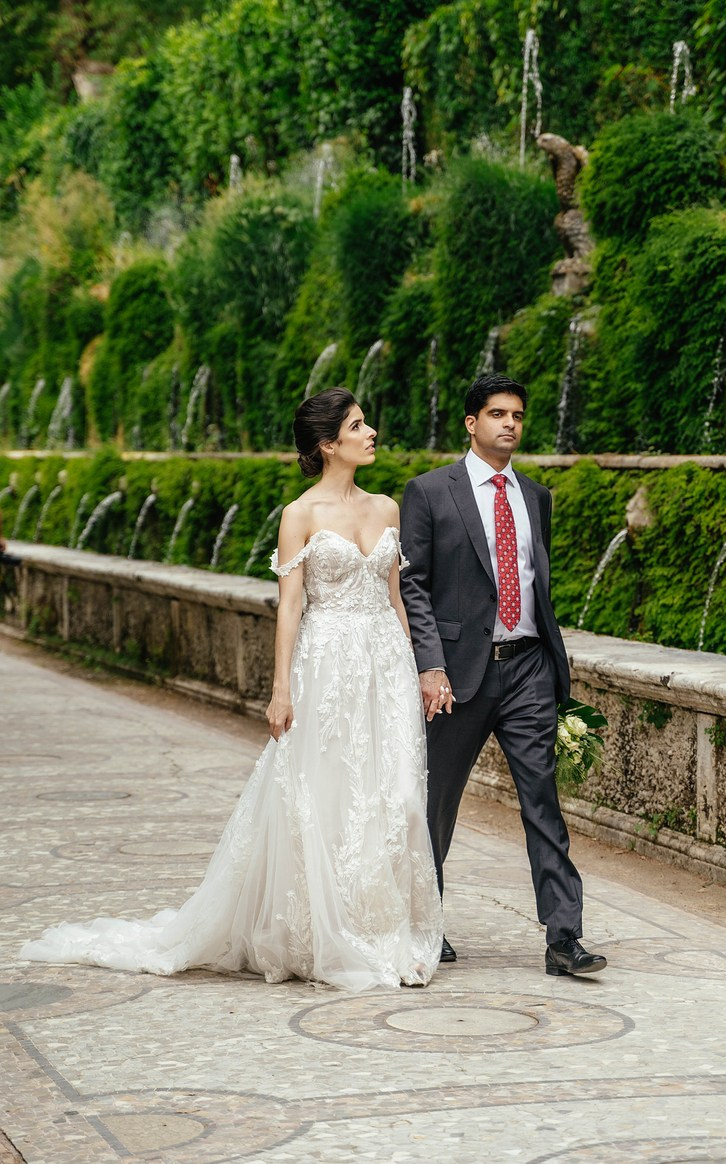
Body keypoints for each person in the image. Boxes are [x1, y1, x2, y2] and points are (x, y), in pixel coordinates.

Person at [22, 388, 443, 990]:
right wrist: (281, 689)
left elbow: (397, 599)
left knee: (394, 798)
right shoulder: (300, 515)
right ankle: (330, 935)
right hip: (327, 665)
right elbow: (290, 608)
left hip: (386, 665)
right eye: (357, 425)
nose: (371, 431)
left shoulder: (388, 508)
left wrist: (419, 668)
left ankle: (387, 931)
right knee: (328, 797)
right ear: (328, 444)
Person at [400, 373, 606, 978]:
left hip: (528, 669)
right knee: (436, 803)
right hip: (458, 676)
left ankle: (564, 938)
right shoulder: (430, 492)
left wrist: (550, 662)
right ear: (471, 423)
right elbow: (412, 583)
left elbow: (538, 584)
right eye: (496, 414)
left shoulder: (536, 496)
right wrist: (430, 665)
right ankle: (424, 925)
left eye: (517, 415)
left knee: (542, 801)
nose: (509, 424)